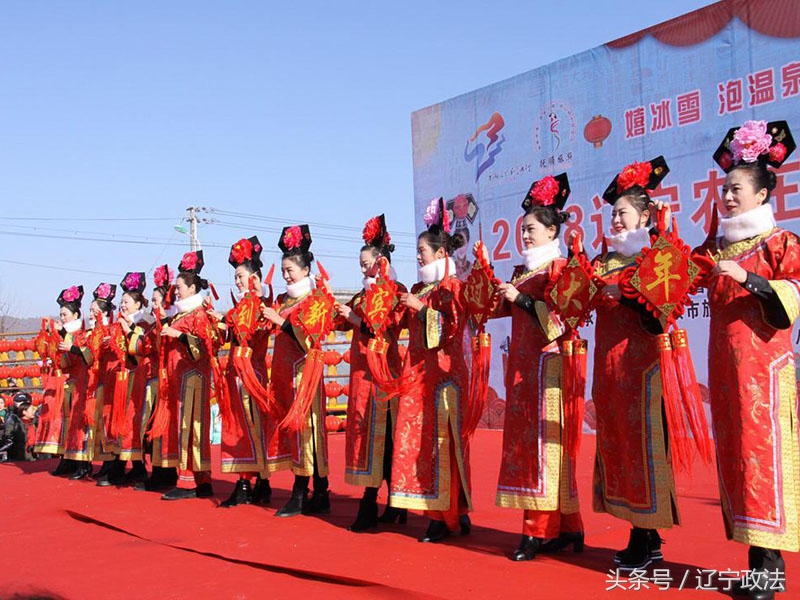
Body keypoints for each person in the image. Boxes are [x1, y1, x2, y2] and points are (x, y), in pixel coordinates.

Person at [696, 120, 799, 599]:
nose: (728, 197)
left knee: (763, 459)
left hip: (764, 371)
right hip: (725, 369)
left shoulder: (780, 243)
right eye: (725, 189)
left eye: (737, 189)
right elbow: (675, 276)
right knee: (736, 460)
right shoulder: (716, 248)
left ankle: (769, 570)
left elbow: (793, 296)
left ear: (761, 195)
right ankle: (756, 564)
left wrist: (749, 279)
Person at [482, 174, 583, 561]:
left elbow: (562, 321)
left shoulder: (558, 268)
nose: (524, 235)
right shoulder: (522, 273)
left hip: (549, 369)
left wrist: (521, 300)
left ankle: (536, 532)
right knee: (541, 450)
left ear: (552, 230)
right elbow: (493, 310)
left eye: (531, 229)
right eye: (522, 229)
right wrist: (489, 279)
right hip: (524, 371)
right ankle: (570, 526)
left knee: (544, 449)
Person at [588, 157, 678, 570]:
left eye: (623, 213)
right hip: (610, 372)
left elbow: (660, 314)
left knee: (644, 451)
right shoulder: (603, 261)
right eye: (613, 214)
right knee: (620, 451)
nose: (617, 220)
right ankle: (640, 535)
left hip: (644, 370)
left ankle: (648, 538)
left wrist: (623, 295)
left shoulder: (658, 257)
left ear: (645, 215)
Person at [391, 197, 473, 543]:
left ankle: (446, 515)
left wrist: (422, 308)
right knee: (421, 445)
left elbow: (451, 330)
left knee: (444, 445)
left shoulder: (452, 287)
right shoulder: (421, 289)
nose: (419, 256)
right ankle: (438, 510)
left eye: (423, 250)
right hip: (419, 376)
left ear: (441, 254)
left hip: (445, 378)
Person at [334, 214, 407, 532]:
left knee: (383, 439)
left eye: (366, 263)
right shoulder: (362, 295)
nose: (362, 268)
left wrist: (354, 318)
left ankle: (371, 501)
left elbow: (383, 327)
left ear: (382, 262)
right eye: (360, 263)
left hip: (383, 375)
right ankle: (392, 503)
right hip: (362, 377)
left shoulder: (395, 290)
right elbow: (342, 321)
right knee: (372, 439)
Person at [261, 225, 331, 517]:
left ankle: (303, 491)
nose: (287, 276)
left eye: (291, 270)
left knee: (308, 433)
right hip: (285, 377)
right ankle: (318, 490)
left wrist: (280, 320)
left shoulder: (316, 299)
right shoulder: (284, 300)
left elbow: (309, 338)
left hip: (305, 377)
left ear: (305, 270)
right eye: (284, 271)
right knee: (297, 434)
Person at [215, 236, 289, 508]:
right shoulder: (235, 311)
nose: (237, 281)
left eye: (241, 276)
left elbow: (269, 317)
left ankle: (248, 483)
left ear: (255, 278)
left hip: (252, 375)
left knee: (251, 429)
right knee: (238, 430)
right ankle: (257, 482)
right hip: (235, 374)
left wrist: (261, 293)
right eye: (235, 277)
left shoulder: (262, 307)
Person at [153, 251, 221, 500]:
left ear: (192, 288)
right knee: (184, 428)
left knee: (192, 428)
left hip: (193, 380)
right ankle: (196, 481)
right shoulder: (182, 314)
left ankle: (192, 480)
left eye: (180, 287)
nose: (176, 291)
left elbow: (203, 349)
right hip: (180, 380)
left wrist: (179, 335)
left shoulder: (199, 314)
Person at [33, 286, 89, 478]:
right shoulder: (66, 332)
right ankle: (67, 458)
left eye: (65, 314)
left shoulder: (82, 334)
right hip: (64, 382)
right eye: (61, 314)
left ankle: (82, 463)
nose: (63, 318)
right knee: (64, 422)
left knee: (77, 422)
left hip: (80, 382)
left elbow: (81, 357)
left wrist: (63, 335)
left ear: (75, 315)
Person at [134, 264, 179, 492]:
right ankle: (158, 470)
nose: (153, 305)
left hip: (168, 381)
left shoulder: (172, 323)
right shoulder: (153, 326)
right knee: (152, 429)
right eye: (152, 301)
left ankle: (168, 472)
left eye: (157, 300)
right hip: (153, 381)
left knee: (165, 428)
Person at [117, 271, 154, 485]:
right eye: (121, 302)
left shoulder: (145, 323)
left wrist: (130, 330)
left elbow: (141, 350)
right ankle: (130, 464)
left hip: (141, 377)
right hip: (123, 380)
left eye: (126, 301)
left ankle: (141, 465)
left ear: (138, 303)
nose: (122, 305)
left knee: (137, 422)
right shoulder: (120, 323)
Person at [0, 391, 38, 462]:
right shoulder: (12, 418)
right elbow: (8, 435)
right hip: (19, 454)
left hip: (32, 453)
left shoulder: (34, 420)